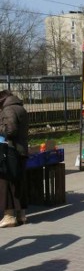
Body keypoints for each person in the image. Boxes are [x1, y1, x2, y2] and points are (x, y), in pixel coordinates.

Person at [0, 90, 29, 227]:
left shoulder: (8, 110)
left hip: (10, 151)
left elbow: (10, 130)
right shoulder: (20, 108)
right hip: (21, 150)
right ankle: (21, 214)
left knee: (6, 184)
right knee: (19, 183)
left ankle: (9, 215)